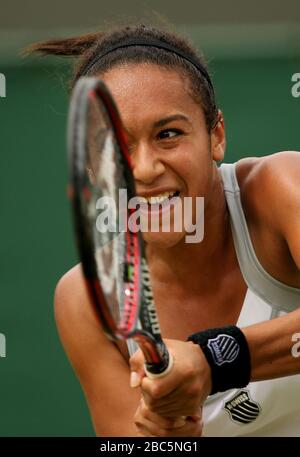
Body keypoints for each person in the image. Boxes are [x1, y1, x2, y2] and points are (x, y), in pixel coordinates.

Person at [25, 23, 300, 437]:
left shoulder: (283, 185)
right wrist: (165, 436)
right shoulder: (85, 299)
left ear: (216, 135)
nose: (145, 169)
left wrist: (214, 361)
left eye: (168, 134)